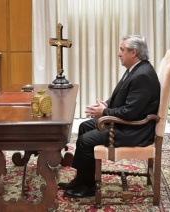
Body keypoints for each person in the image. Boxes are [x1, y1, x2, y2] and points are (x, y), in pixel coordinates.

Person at [58, 35, 160, 198]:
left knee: (85, 141)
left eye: (122, 50)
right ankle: (82, 179)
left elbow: (129, 113)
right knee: (85, 126)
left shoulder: (143, 76)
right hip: (127, 123)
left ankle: (88, 187)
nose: (119, 54)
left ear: (134, 52)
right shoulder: (135, 69)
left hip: (134, 130)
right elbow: (122, 98)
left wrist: (104, 113)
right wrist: (106, 105)